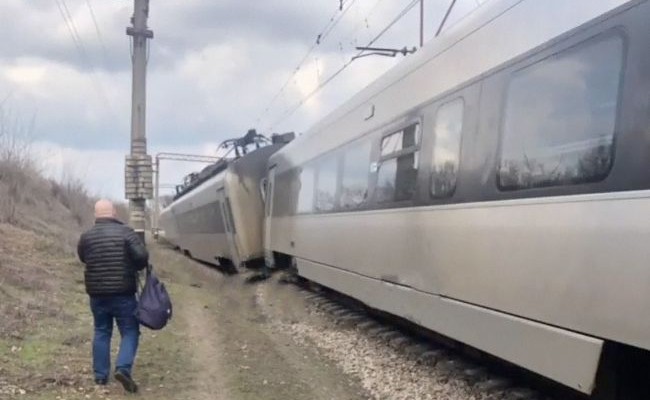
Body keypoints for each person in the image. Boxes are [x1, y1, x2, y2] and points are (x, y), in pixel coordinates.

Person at [77, 199, 148, 393]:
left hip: (97, 293)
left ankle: (100, 376)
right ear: (114, 213)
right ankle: (123, 368)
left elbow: (83, 258)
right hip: (123, 293)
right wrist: (132, 265)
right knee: (130, 331)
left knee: (101, 330)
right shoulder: (126, 233)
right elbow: (142, 257)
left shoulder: (86, 236)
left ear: (95, 214)